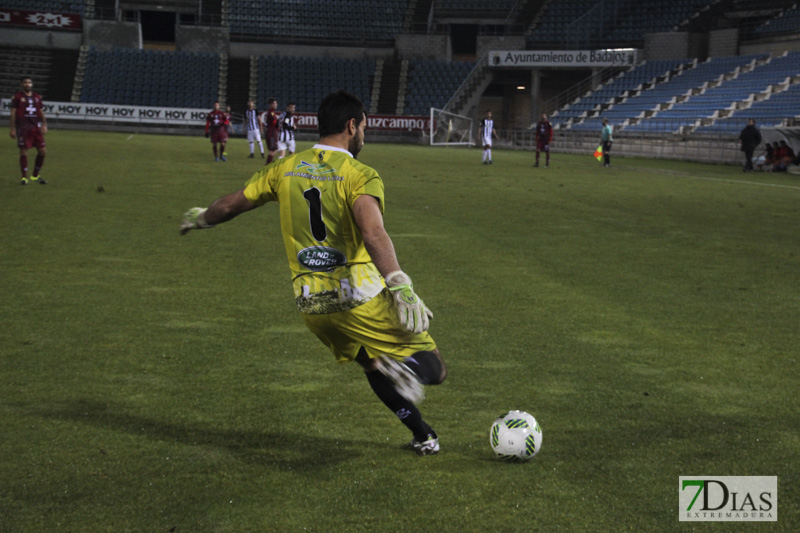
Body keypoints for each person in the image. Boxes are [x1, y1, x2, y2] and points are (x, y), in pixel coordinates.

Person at [180, 90, 447, 456]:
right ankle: (403, 372)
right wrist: (399, 282)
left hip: (313, 307)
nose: (364, 135)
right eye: (364, 127)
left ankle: (423, 435)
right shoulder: (358, 173)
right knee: (433, 369)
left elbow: (230, 204)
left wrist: (199, 219)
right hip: (359, 298)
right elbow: (373, 231)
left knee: (371, 364)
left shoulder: (284, 168)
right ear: (352, 125)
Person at [10, 76, 48, 185]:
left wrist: (44, 124)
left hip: (35, 128)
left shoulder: (36, 97)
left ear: (32, 84)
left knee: (43, 151)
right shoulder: (17, 97)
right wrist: (12, 129)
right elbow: (13, 112)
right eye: (25, 82)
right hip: (23, 128)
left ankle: (35, 176)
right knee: (24, 151)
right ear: (21, 84)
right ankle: (24, 177)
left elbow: (40, 111)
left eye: (29, 82)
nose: (27, 84)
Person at [262, 98, 280, 164]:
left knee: (273, 149)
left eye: (276, 103)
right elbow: (274, 122)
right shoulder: (271, 112)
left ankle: (268, 163)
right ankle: (268, 164)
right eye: (274, 104)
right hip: (271, 133)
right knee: (273, 149)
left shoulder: (272, 112)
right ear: (270, 105)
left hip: (271, 132)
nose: (275, 105)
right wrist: (279, 122)